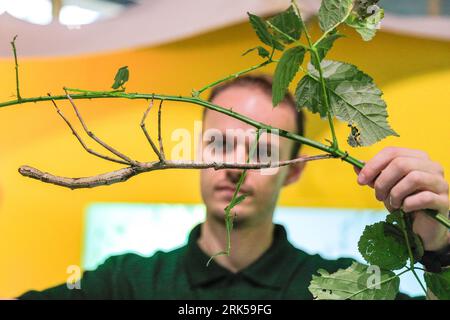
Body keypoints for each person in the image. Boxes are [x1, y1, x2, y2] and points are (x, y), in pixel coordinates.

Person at [18, 75, 449, 299]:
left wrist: (442, 249)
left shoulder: (338, 289)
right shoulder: (124, 283)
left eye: (261, 151)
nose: (235, 167)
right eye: (219, 144)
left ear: (294, 170)